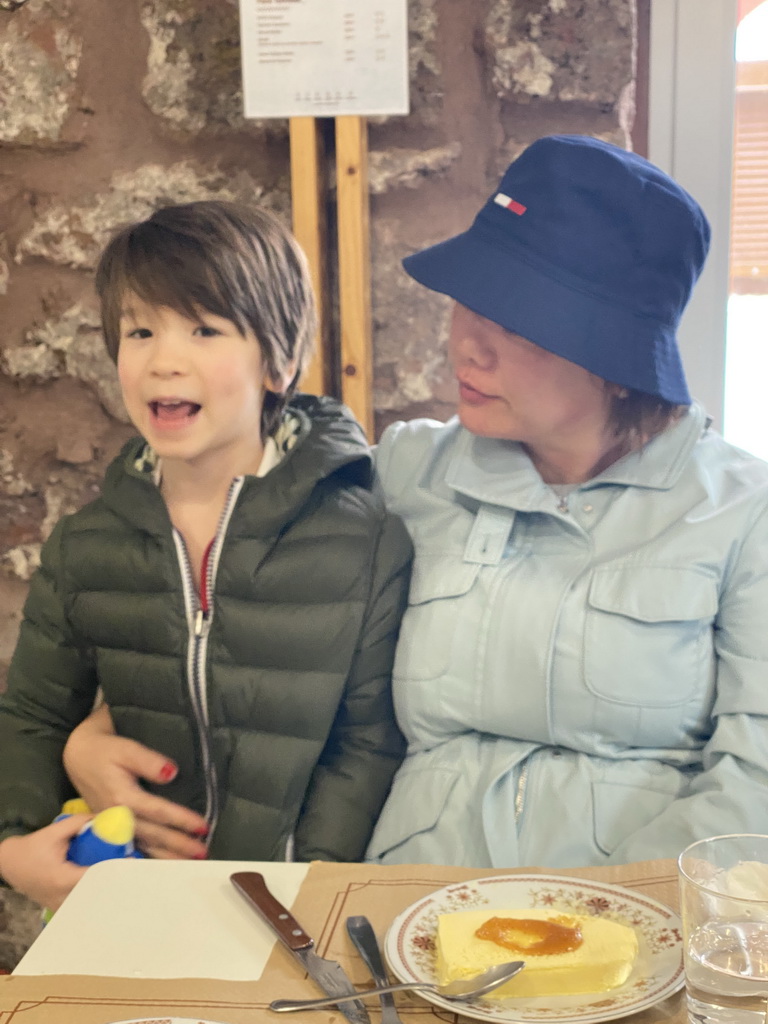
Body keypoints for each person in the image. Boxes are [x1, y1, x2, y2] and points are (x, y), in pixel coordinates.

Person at [62, 135, 768, 870]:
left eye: (519, 321)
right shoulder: (402, 473)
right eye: (470, 302)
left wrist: (609, 922)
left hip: (634, 934)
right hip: (400, 918)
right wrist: (92, 729)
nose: (469, 345)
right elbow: (247, 621)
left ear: (622, 363)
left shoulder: (743, 514)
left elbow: (755, 788)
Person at [0, 200, 411, 910]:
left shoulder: (362, 539)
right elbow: (31, 716)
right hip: (136, 903)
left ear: (279, 361)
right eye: (140, 330)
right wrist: (12, 847)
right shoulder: (84, 545)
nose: (164, 360)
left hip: (298, 914)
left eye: (203, 328)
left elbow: (369, 742)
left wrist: (308, 885)